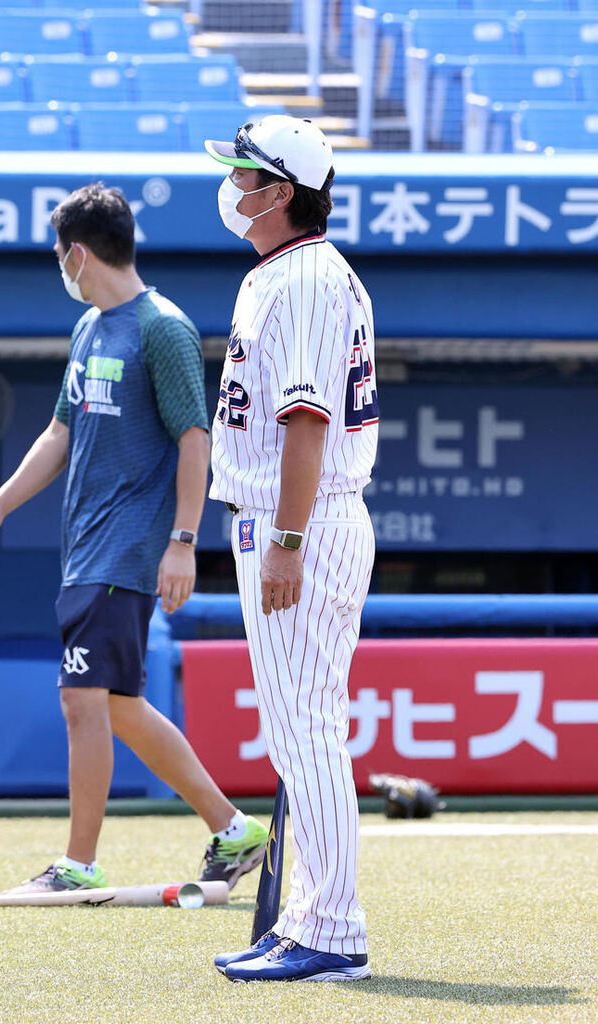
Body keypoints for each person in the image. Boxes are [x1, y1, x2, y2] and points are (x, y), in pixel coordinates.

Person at [0, 183, 268, 896]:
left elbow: (195, 439)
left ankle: (78, 865)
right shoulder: (89, 329)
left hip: (125, 548)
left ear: (77, 254)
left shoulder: (162, 327)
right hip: (87, 547)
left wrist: (183, 541)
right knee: (118, 703)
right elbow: (59, 432)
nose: (58, 267)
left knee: (81, 699)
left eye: (57, 255)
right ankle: (232, 829)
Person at [203, 116, 378, 982]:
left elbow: (305, 421)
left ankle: (333, 932)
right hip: (293, 519)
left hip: (300, 520)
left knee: (307, 733)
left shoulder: (305, 276)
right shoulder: (288, 269)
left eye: (244, 174)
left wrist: (285, 540)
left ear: (279, 192)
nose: (230, 185)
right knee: (298, 734)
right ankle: (308, 921)